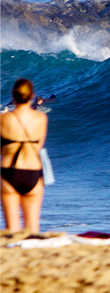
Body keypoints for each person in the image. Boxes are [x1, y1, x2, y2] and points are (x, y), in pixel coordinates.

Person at [1, 79, 48, 233]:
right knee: (33, 228)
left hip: (9, 172)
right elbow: (38, 147)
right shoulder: (41, 119)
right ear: (32, 96)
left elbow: (2, 149)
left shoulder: (3, 119)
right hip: (33, 172)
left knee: (12, 230)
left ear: (13, 96)